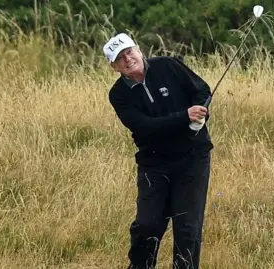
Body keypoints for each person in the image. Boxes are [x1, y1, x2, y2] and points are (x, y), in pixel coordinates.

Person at [103, 33, 213, 269]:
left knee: (187, 228)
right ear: (114, 67)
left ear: (139, 49)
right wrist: (185, 117)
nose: (127, 58)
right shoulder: (118, 95)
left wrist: (201, 115)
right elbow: (144, 128)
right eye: (120, 58)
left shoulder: (169, 66)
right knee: (147, 225)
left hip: (193, 158)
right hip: (154, 164)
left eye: (129, 51)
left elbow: (202, 90)